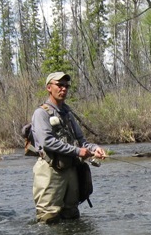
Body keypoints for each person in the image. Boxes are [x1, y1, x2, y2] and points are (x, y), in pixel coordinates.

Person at [31, 71, 106, 223]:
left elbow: (81, 141)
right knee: (48, 219)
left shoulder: (68, 114)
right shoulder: (41, 113)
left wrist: (94, 150)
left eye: (66, 86)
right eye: (59, 85)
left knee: (72, 216)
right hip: (50, 170)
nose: (63, 89)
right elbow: (47, 141)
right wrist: (78, 151)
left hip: (70, 171)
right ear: (49, 88)